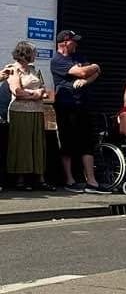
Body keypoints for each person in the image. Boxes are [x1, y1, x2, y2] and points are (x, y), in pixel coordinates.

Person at [50, 30, 105, 194]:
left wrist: (85, 80)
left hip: (83, 105)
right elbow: (82, 71)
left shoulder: (79, 57)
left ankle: (92, 181)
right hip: (67, 106)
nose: (77, 44)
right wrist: (93, 67)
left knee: (87, 142)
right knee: (68, 142)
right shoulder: (57, 60)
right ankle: (69, 180)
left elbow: (95, 73)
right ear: (65, 43)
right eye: (74, 41)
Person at [5, 43, 50, 191]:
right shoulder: (13, 69)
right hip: (20, 112)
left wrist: (38, 93)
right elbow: (17, 92)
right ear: (25, 53)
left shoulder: (34, 70)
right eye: (33, 52)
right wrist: (35, 95)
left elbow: (44, 90)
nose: (35, 54)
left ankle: (39, 178)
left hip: (37, 111)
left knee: (37, 144)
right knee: (22, 143)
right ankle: (20, 180)